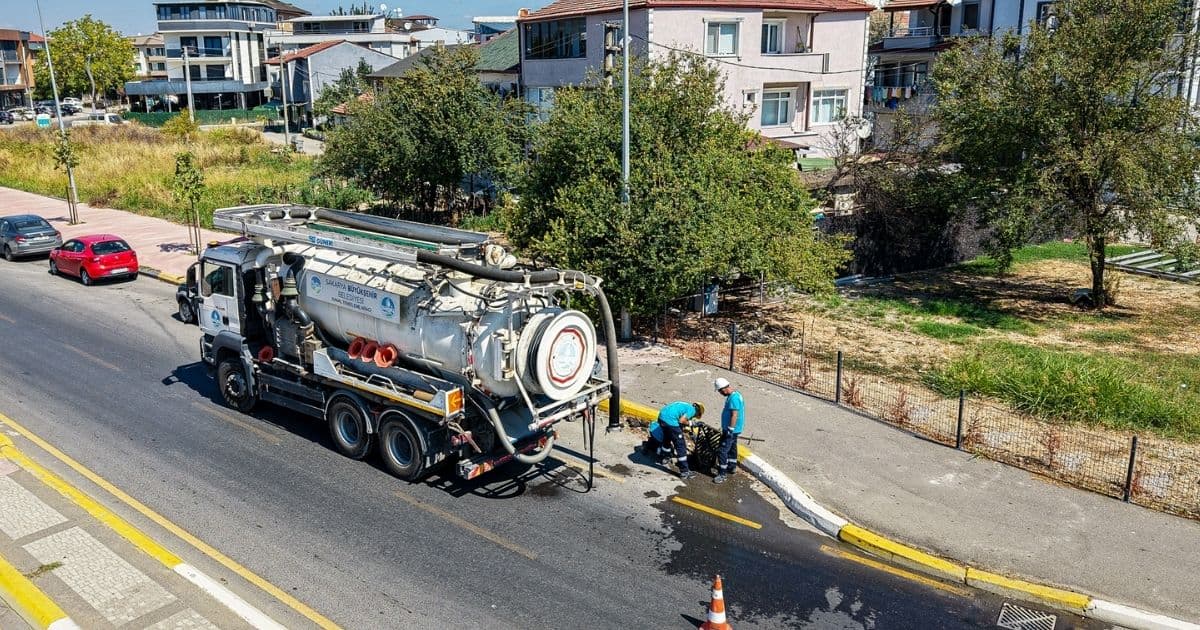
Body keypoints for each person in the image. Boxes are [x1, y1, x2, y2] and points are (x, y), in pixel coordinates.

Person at [656, 401, 705, 480]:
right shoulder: (692, 410)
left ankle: (664, 458)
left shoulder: (684, 405)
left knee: (667, 438)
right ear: (698, 412)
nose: (694, 417)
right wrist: (692, 424)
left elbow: (679, 419)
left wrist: (685, 427)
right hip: (670, 421)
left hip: (661, 418)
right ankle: (684, 471)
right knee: (681, 446)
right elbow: (682, 420)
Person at [713, 377, 745, 484]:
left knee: (722, 451)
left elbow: (734, 414)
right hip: (734, 429)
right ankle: (731, 466)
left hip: (731, 430)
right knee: (732, 448)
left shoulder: (733, 398)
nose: (720, 393)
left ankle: (722, 474)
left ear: (723, 389)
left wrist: (730, 429)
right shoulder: (735, 395)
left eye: (719, 391)